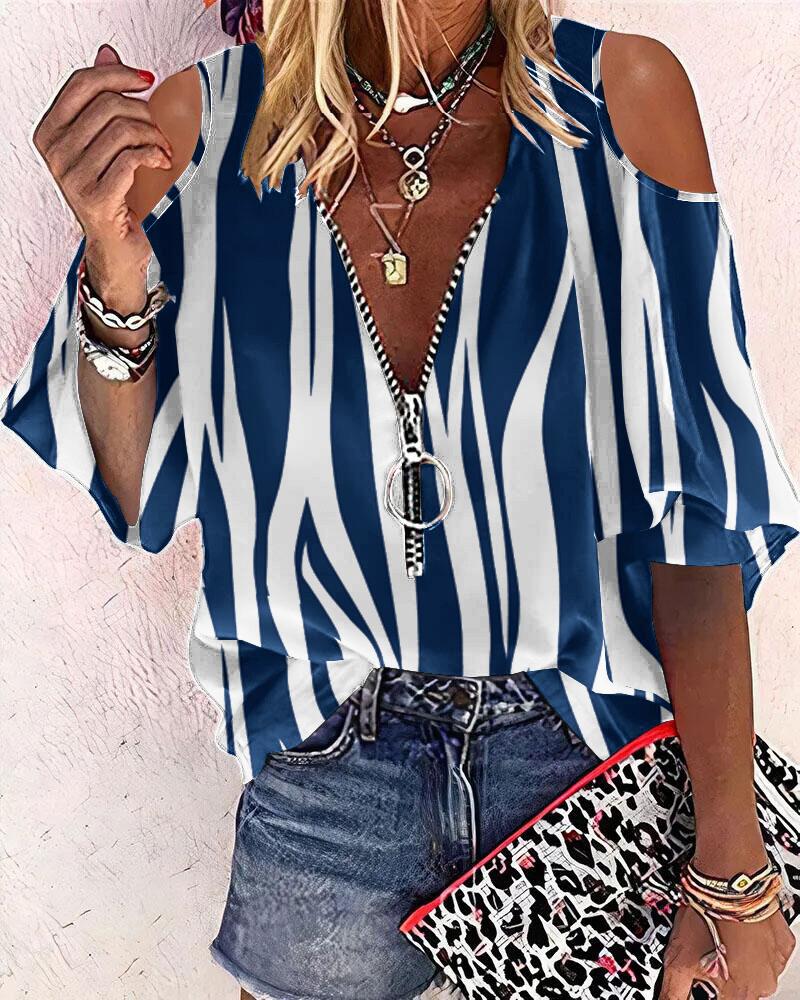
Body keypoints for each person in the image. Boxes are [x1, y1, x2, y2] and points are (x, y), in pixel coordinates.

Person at [3, 1, 798, 997]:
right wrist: (112, 256)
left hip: (581, 758)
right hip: (328, 767)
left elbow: (696, 518)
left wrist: (733, 869)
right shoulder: (198, 129)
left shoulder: (621, 103)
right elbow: (137, 492)